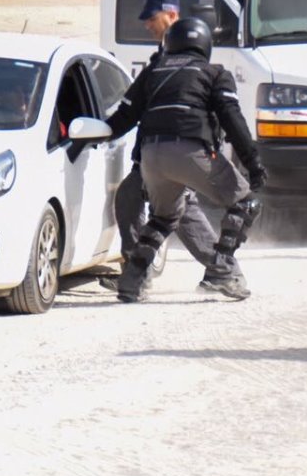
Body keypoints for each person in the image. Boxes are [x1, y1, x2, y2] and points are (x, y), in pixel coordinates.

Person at [102, 16, 266, 302]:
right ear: (205, 45)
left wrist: (91, 135)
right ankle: (221, 271)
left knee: (163, 218)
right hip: (192, 151)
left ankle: (132, 281)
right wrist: (253, 163)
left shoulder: (153, 71)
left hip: (150, 158)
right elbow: (232, 118)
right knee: (246, 203)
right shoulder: (214, 73)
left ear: (170, 43)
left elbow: (123, 118)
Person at [97, 0, 222, 292]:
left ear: (172, 15)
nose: (147, 25)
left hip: (177, 147)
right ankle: (139, 273)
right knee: (135, 199)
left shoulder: (184, 57)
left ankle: (221, 270)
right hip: (158, 149)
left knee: (178, 209)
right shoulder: (162, 56)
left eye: (152, 18)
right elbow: (135, 108)